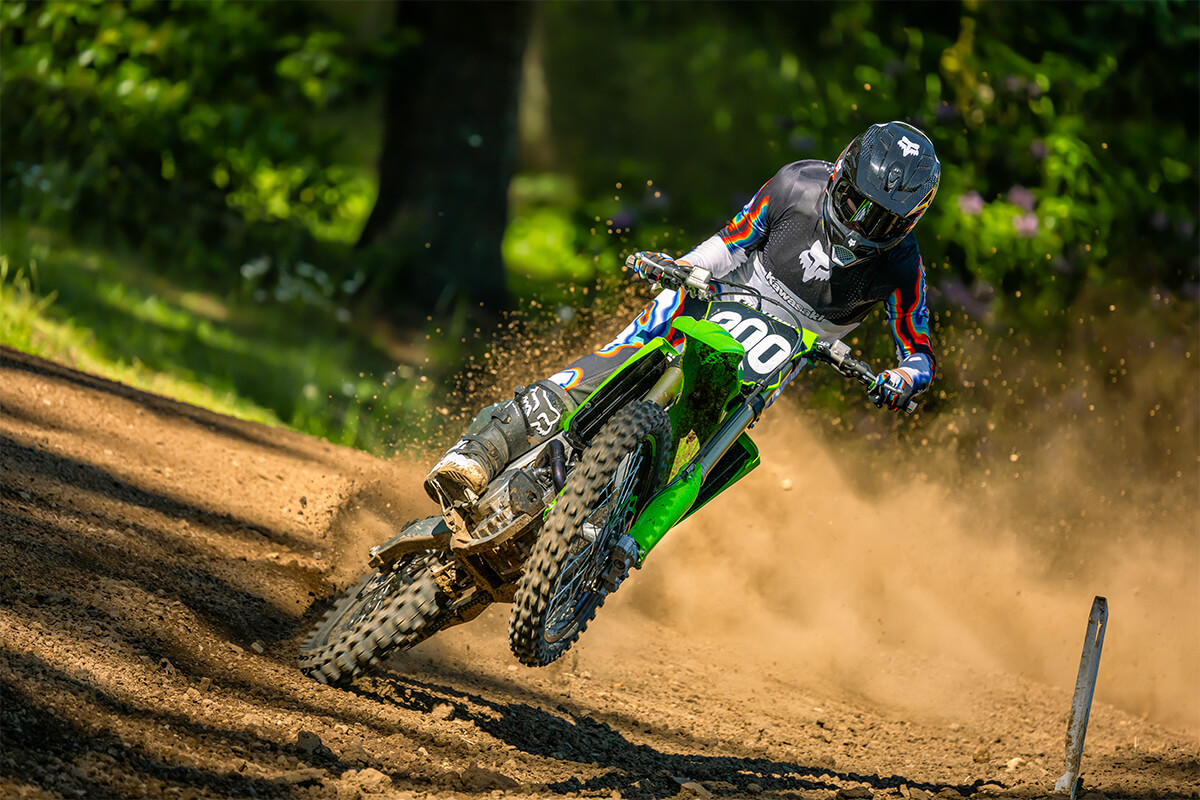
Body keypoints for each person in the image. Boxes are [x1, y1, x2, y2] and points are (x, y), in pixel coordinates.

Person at [424, 120, 940, 507]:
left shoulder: (903, 267)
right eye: (855, 203)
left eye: (883, 221)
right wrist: (682, 267)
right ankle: (479, 451)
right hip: (717, 294)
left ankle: (611, 535)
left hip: (777, 357)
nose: (862, 225)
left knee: (702, 448)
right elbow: (733, 241)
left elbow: (919, 355)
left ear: (910, 222)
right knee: (620, 358)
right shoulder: (796, 185)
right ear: (840, 172)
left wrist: (899, 378)